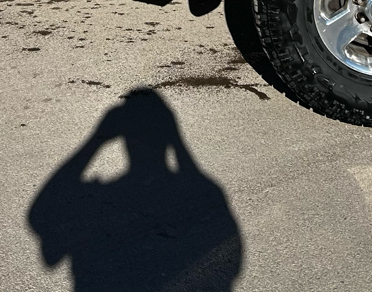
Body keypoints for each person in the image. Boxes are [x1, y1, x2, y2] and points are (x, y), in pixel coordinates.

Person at [28, 89, 242, 292]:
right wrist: (178, 142)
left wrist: (95, 141)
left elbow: (43, 214)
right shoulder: (200, 193)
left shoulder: (104, 199)